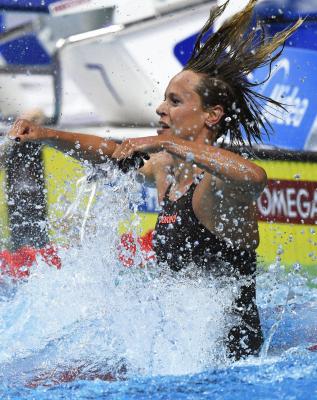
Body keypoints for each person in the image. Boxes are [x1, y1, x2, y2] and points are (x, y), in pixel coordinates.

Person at [9, 0, 302, 360]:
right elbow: (111, 151)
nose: (161, 108)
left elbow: (254, 176)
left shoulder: (216, 186)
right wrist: (46, 134)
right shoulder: (165, 167)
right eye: (164, 98)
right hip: (179, 350)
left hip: (229, 362)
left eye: (175, 101)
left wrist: (167, 141)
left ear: (212, 115)